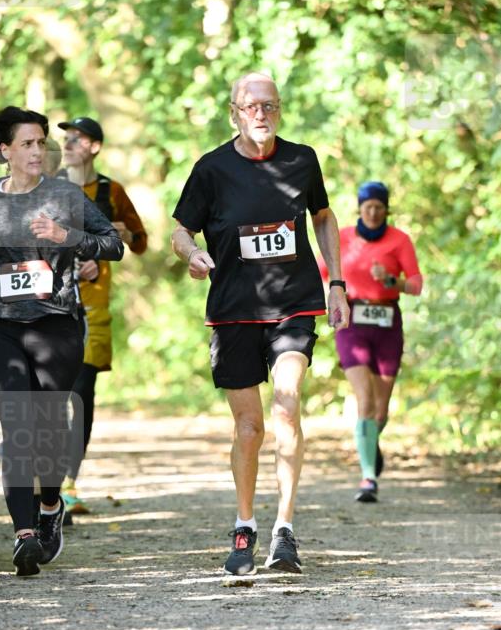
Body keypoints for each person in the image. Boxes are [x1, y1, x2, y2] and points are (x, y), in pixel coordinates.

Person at [172, 71, 350, 576]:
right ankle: (245, 524)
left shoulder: (301, 159)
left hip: (293, 304)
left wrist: (336, 282)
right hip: (233, 310)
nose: (261, 115)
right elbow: (180, 229)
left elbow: (323, 216)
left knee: (288, 405)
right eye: (250, 107)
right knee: (249, 427)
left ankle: (285, 530)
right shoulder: (211, 169)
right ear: (233, 113)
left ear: (280, 110)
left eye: (269, 106)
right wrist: (192, 252)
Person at [0, 105, 124, 576]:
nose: (38, 151)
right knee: (17, 424)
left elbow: (112, 244)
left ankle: (50, 504)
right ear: (5, 151)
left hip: (55, 324)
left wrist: (66, 236)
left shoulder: (65, 194)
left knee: (50, 427)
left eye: (41, 143)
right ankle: (24, 536)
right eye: (28, 144)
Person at [57, 116, 148, 514]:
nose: (67, 144)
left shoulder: (111, 191)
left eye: (75, 138)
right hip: (51, 306)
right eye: (64, 138)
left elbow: (140, 240)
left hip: (94, 308)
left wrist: (110, 239)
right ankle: (47, 483)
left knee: (82, 394)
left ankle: (68, 484)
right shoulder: (49, 187)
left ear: (94, 146)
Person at [319, 181, 422, 503]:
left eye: (379, 207)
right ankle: (368, 478)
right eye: (368, 207)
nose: (374, 212)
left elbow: (416, 285)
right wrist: (329, 297)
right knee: (364, 400)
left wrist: (392, 281)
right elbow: (320, 271)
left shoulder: (399, 240)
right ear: (360, 209)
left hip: (388, 322)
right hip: (352, 322)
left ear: (386, 209)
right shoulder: (345, 238)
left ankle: (369, 443)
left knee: (380, 410)